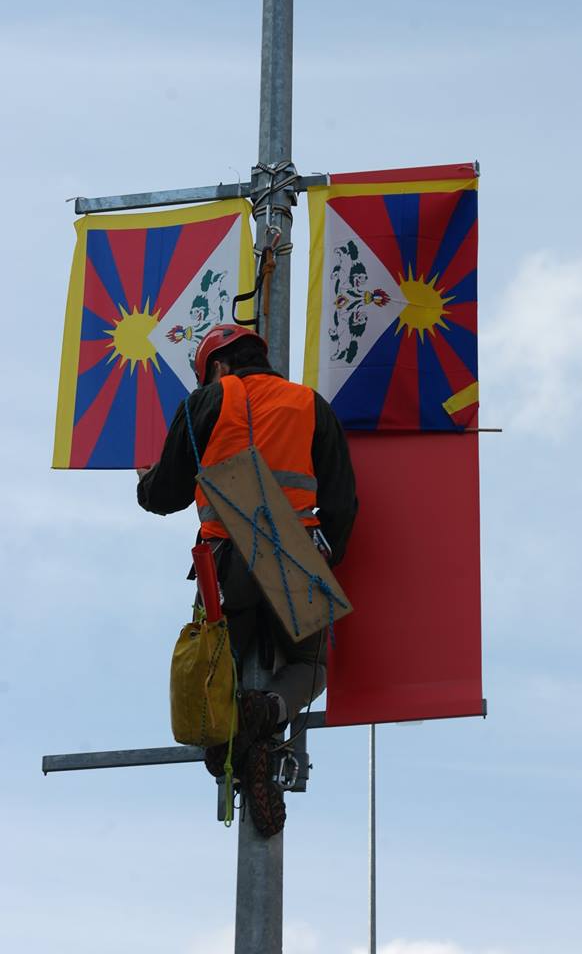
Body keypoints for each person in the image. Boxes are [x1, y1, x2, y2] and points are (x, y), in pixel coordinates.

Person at [137, 324, 357, 835]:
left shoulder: (211, 399)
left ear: (217, 367)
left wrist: (145, 481)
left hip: (226, 561)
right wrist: (324, 556)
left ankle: (231, 743)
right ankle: (267, 713)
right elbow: (343, 502)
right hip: (294, 555)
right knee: (310, 663)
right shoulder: (310, 403)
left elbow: (164, 495)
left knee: (215, 670)